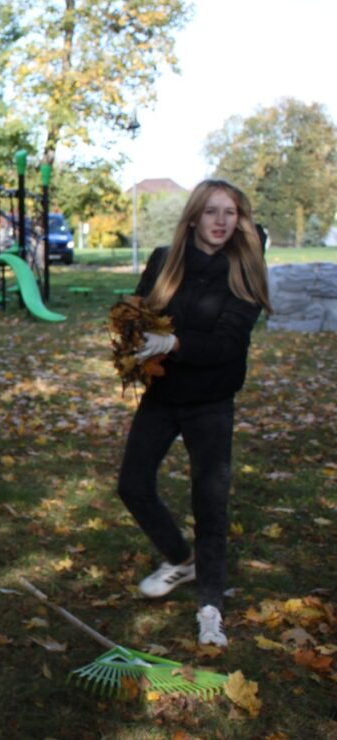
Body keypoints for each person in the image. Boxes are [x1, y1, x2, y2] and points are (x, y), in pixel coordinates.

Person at [117, 179, 272, 647]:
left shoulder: (244, 271)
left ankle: (210, 608)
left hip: (211, 403)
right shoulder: (165, 260)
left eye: (231, 213)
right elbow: (140, 312)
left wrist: (176, 343)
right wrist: (133, 337)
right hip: (163, 397)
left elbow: (228, 344)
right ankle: (180, 559)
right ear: (194, 217)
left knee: (210, 503)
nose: (221, 222)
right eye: (212, 212)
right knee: (132, 485)